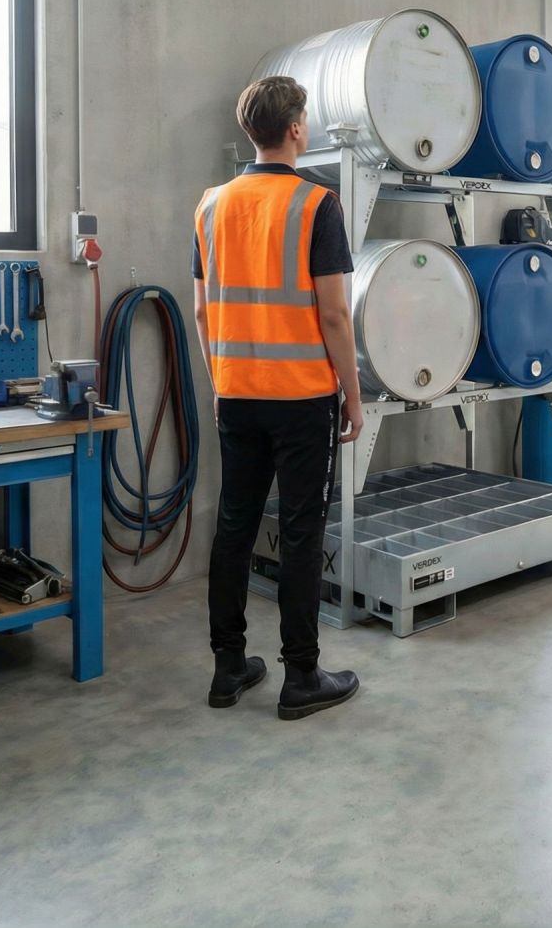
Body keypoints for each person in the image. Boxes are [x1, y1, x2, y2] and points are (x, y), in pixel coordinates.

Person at [193, 75, 365, 719]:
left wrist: (220, 385)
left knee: (234, 527)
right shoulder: (317, 204)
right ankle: (301, 677)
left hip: (236, 393)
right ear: (297, 129)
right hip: (301, 399)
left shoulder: (211, 205)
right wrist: (352, 396)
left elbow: (203, 310)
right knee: (299, 532)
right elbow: (335, 317)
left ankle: (228, 669)